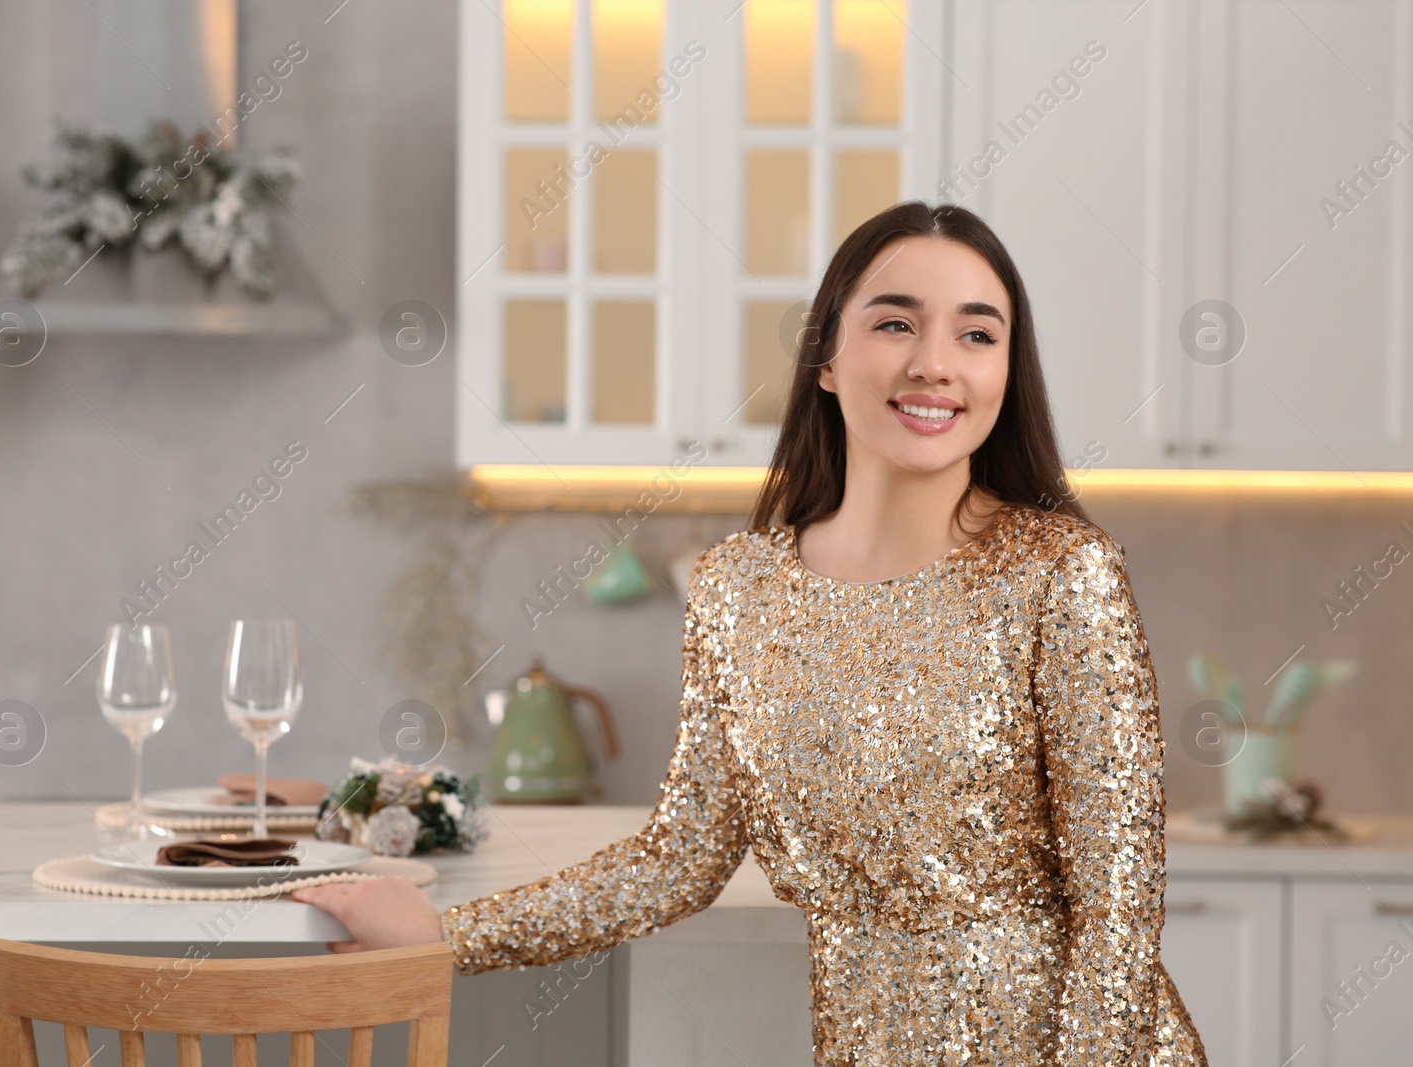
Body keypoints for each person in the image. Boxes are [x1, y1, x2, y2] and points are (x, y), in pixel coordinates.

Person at [295, 200, 1211, 1066]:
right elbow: (679, 857)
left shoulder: (1061, 570)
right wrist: (446, 932)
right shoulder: (739, 586)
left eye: (978, 333)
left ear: (1006, 373)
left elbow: (1117, 910)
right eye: (896, 323)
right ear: (824, 357)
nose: (937, 362)